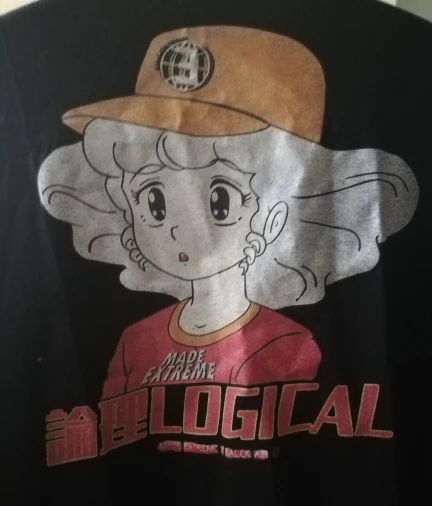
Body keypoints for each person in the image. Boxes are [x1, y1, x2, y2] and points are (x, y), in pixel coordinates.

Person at [37, 26, 418, 397]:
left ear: (274, 219)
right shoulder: (134, 342)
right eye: (154, 200)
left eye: (220, 201)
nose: (180, 229)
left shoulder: (288, 342)